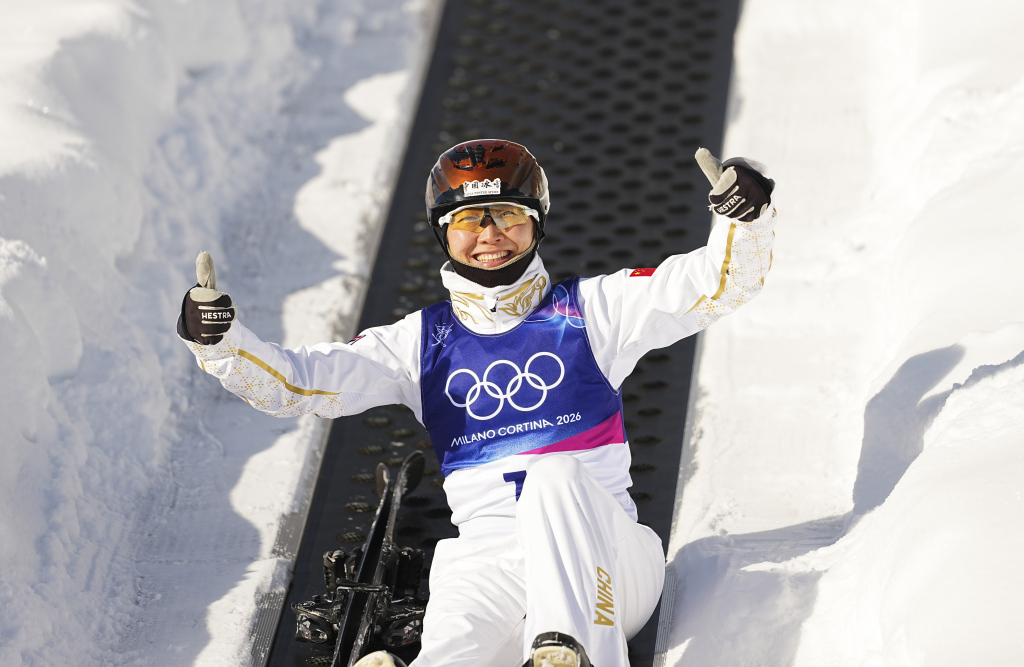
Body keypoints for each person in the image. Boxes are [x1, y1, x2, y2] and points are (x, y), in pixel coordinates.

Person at [177, 139, 776, 667]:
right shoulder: (419, 342)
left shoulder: (594, 310)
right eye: (469, 219)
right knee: (455, 636)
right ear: (444, 232)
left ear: (536, 223)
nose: (490, 234)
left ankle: (572, 652)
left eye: (509, 215)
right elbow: (300, 383)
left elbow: (718, 282)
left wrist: (744, 218)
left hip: (609, 568)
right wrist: (222, 346)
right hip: (490, 561)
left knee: (553, 475)